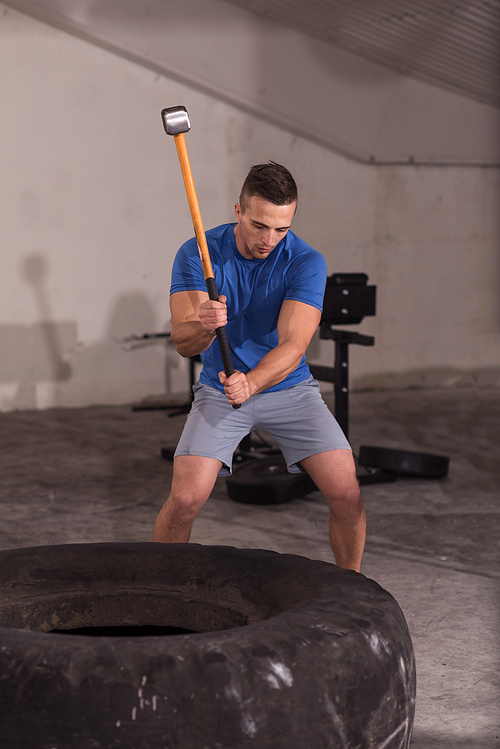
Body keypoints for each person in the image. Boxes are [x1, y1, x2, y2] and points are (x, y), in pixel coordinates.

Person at [153, 162, 366, 572]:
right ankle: (158, 589)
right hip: (220, 392)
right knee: (183, 502)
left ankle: (351, 587)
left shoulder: (305, 261)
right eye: (259, 226)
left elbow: (294, 343)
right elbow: (183, 343)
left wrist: (251, 383)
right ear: (238, 211)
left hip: (289, 390)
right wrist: (204, 323)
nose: (270, 239)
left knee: (347, 494)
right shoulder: (199, 251)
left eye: (281, 228)